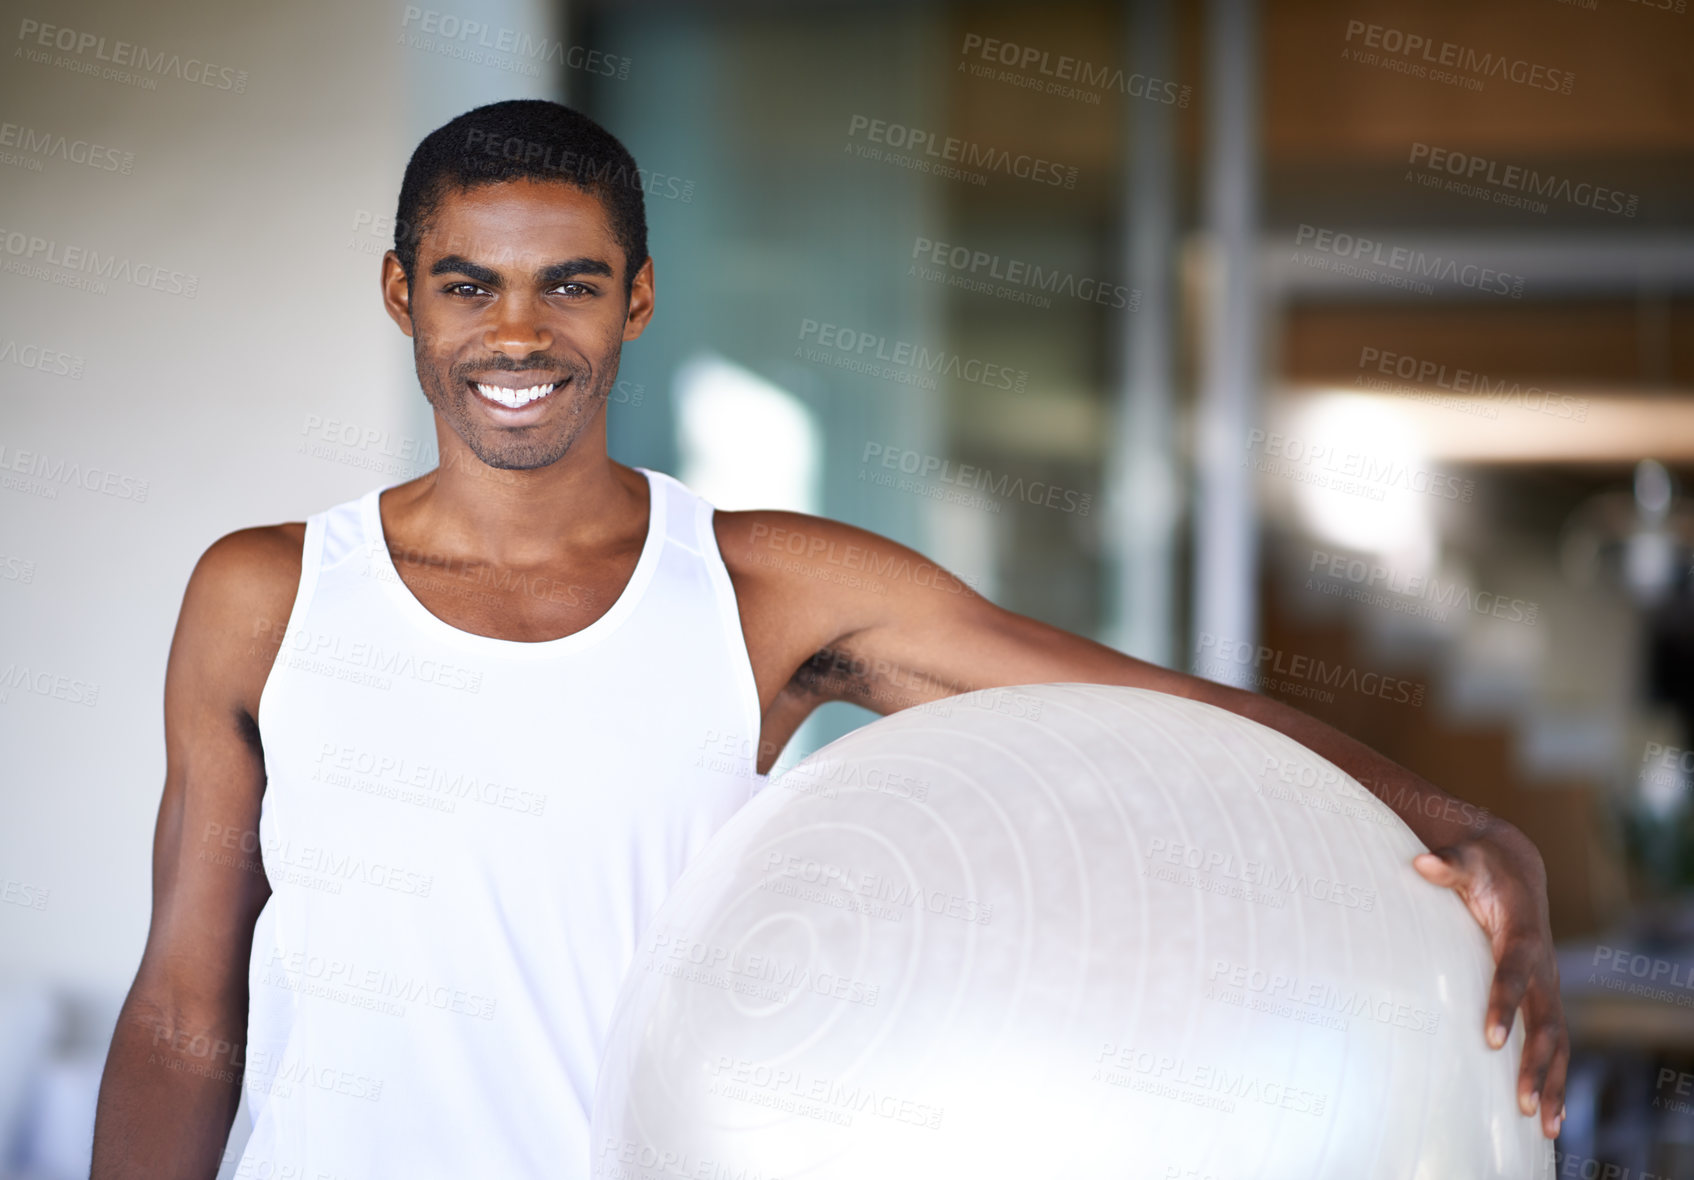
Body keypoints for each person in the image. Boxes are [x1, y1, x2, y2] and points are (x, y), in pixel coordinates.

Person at [90, 99, 1567, 1178]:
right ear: (404, 292)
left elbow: (1144, 714)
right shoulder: (264, 594)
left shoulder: (763, 588)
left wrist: (1455, 819)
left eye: (571, 283)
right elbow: (181, 1003)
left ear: (638, 300)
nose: (517, 332)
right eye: (470, 282)